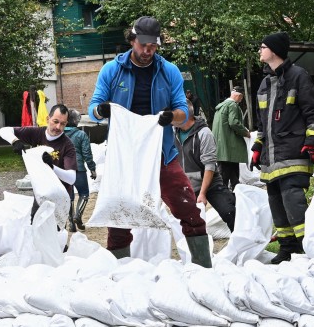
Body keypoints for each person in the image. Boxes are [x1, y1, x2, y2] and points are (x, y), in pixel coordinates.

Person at [88, 15, 211, 267]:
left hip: (162, 154)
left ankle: (203, 270)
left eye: (153, 46)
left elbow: (184, 111)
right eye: (143, 45)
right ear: (132, 40)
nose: (147, 51)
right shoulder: (112, 70)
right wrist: (103, 111)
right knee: (119, 216)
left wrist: (172, 117)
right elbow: (93, 108)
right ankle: (120, 275)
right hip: (124, 158)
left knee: (187, 206)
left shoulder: (169, 71)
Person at [251, 30, 314, 264]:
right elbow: (262, 123)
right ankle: (287, 248)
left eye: (263, 46)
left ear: (274, 50)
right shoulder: (264, 83)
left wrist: (312, 143)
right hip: (271, 158)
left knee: (292, 199)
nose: (260, 51)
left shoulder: (298, 76)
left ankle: (308, 247)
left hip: (293, 152)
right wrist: (257, 147)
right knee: (276, 202)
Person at [9, 103, 78, 227]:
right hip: (41, 193)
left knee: (55, 235)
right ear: (48, 119)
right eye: (55, 121)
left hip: (59, 196)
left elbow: (72, 178)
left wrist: (52, 167)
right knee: (35, 227)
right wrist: (15, 141)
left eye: (62, 124)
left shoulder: (67, 145)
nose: (58, 127)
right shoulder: (36, 133)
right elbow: (4, 130)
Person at [178, 95, 236, 232]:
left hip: (210, 183)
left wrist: (203, 193)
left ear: (185, 115)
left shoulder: (204, 133)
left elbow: (210, 166)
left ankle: (247, 244)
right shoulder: (173, 132)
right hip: (188, 186)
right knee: (190, 222)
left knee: (229, 211)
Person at [211, 85, 249, 195]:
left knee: (230, 173)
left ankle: (235, 195)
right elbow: (234, 123)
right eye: (241, 98)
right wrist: (245, 132)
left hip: (221, 146)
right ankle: (224, 197)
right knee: (226, 175)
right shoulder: (232, 105)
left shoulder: (221, 106)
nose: (241, 100)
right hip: (229, 146)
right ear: (239, 96)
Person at [64, 109, 97, 232]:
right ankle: (78, 215)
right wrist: (92, 169)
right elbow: (87, 154)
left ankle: (71, 223)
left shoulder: (59, 135)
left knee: (69, 197)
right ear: (74, 121)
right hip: (78, 169)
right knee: (84, 194)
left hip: (63, 170)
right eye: (78, 119)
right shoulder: (81, 135)